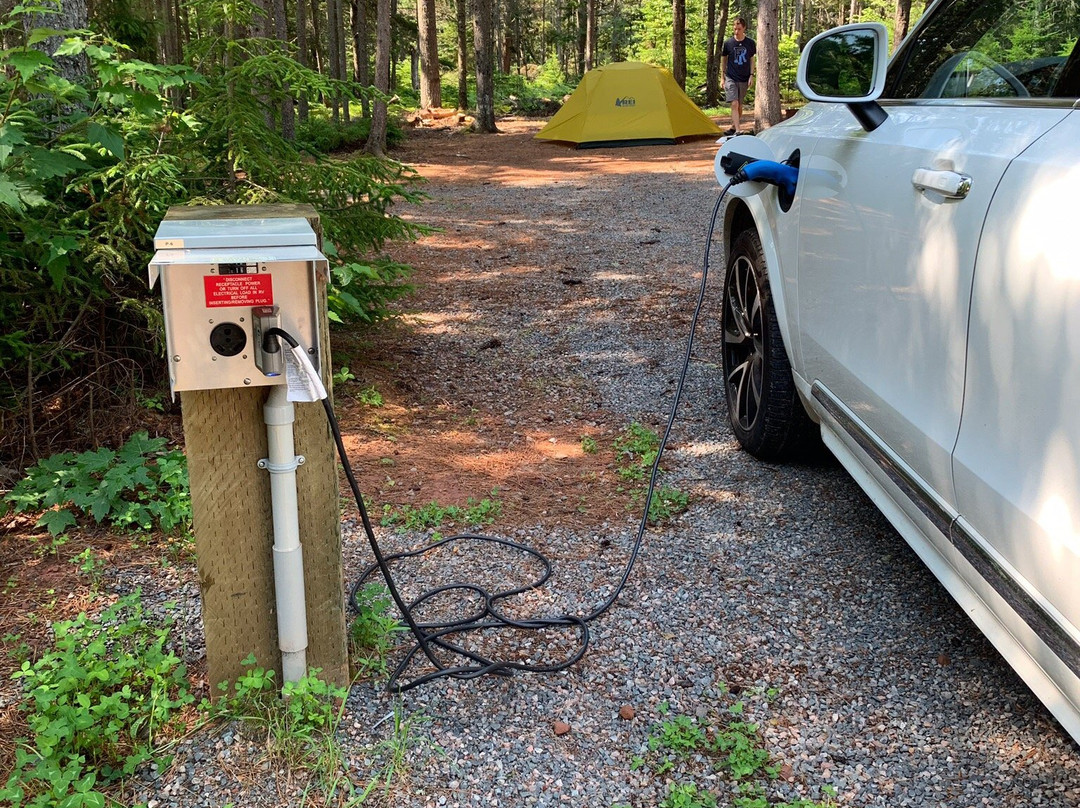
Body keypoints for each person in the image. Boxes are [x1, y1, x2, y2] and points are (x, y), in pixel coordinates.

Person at [720, 17, 756, 136]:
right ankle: (738, 130)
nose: (736, 31)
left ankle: (733, 126)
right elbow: (724, 59)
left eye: (739, 29)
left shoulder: (750, 43)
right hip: (730, 77)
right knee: (734, 103)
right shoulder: (728, 43)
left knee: (739, 105)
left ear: (744, 28)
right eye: (735, 29)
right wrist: (722, 76)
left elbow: (752, 59)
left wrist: (751, 75)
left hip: (744, 77)